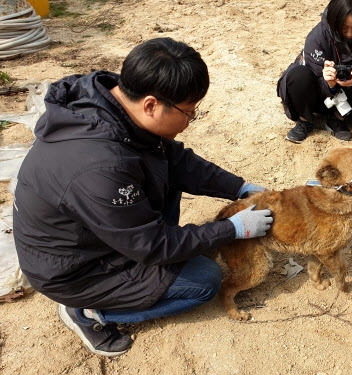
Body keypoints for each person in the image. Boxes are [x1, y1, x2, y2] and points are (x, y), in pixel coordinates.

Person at [12, 37, 273, 357]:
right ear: (151, 104)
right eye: (189, 113)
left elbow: (177, 161)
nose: (190, 122)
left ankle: (146, 273)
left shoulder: (113, 105)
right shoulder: (100, 166)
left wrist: (240, 187)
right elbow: (152, 245)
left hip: (103, 231)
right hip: (76, 269)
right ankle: (87, 312)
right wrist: (233, 229)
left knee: (166, 175)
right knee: (205, 281)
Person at [277, 0, 352, 144]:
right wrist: (329, 83)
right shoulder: (318, 36)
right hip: (314, 94)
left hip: (346, 92)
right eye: (344, 27)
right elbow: (310, 78)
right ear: (335, 21)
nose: (350, 33)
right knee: (297, 76)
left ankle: (337, 119)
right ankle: (305, 121)